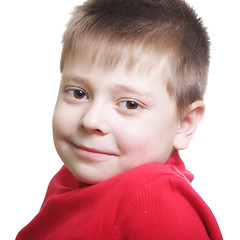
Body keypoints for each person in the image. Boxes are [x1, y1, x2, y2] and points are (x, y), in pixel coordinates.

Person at [16, 0, 223, 239]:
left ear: (183, 124)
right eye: (78, 93)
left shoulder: (156, 198)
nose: (91, 120)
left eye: (130, 104)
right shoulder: (71, 178)